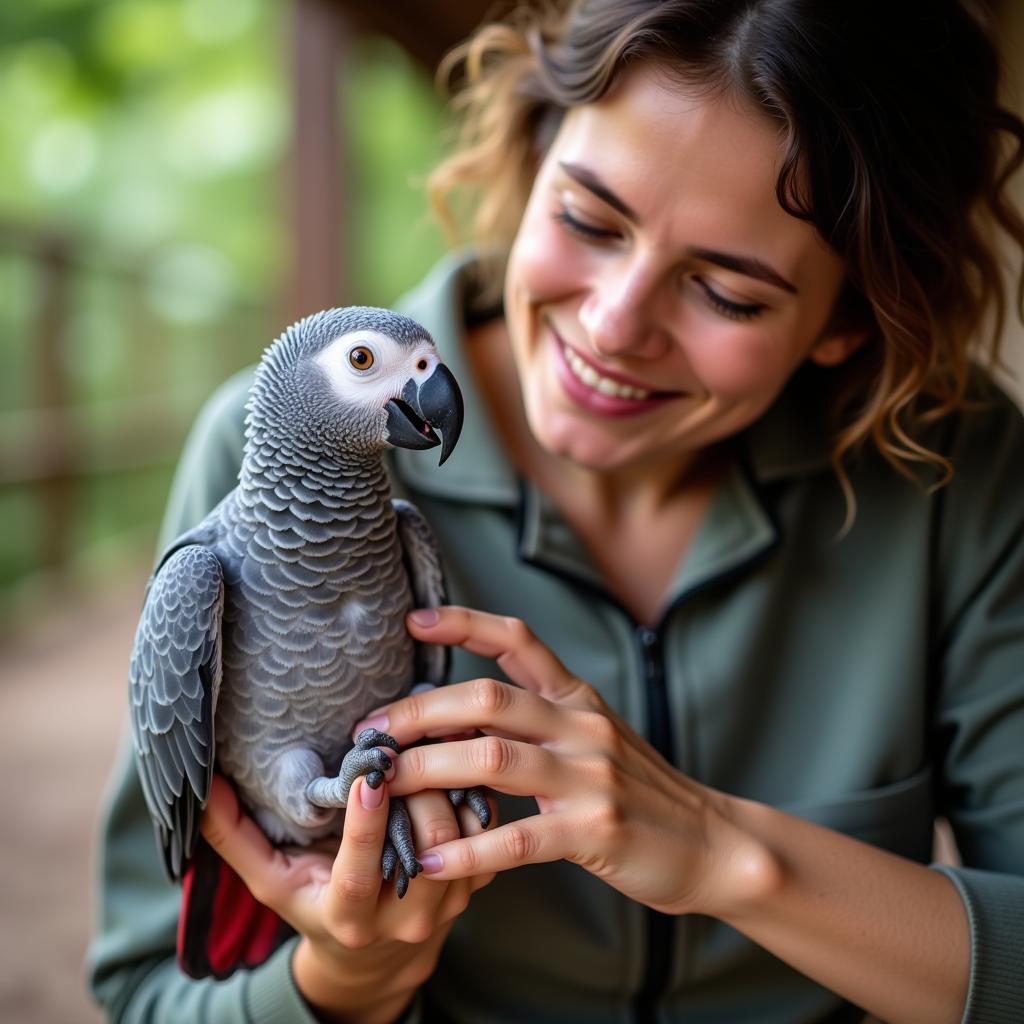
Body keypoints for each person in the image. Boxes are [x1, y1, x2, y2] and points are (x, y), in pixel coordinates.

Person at [89, 1, 1024, 1021]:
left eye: (728, 293)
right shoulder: (252, 457)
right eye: (587, 219)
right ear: (532, 161)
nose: (614, 327)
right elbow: (148, 991)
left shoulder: (954, 473)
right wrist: (343, 980)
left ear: (846, 320)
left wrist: (723, 852)